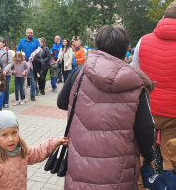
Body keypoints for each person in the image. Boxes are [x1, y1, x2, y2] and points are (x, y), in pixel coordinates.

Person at [57, 25, 155, 189]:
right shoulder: (137, 83)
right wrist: (149, 156)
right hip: (119, 173)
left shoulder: (79, 74)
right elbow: (146, 127)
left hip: (80, 163)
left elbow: (61, 102)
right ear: (125, 51)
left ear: (96, 47)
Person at [131, 0, 176, 171]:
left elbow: (133, 73)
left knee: (143, 154)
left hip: (146, 109)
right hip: (175, 113)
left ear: (164, 16)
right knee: (172, 156)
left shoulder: (143, 41)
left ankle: (141, 186)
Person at [16, 28, 40, 101]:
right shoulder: (22, 41)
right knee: (22, 79)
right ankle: (22, 95)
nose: (30, 34)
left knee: (33, 80)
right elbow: (18, 51)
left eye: (31, 33)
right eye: (29, 33)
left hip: (33, 63)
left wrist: (35, 58)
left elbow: (39, 51)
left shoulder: (36, 41)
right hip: (24, 63)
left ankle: (32, 95)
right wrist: (20, 58)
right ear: (26, 33)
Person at [0, 38, 13, 109]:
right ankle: (0, 102)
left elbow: (10, 62)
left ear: (4, 43)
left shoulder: (8, 52)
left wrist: (5, 70)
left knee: (5, 87)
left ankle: (6, 102)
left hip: (6, 73)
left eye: (0, 42)